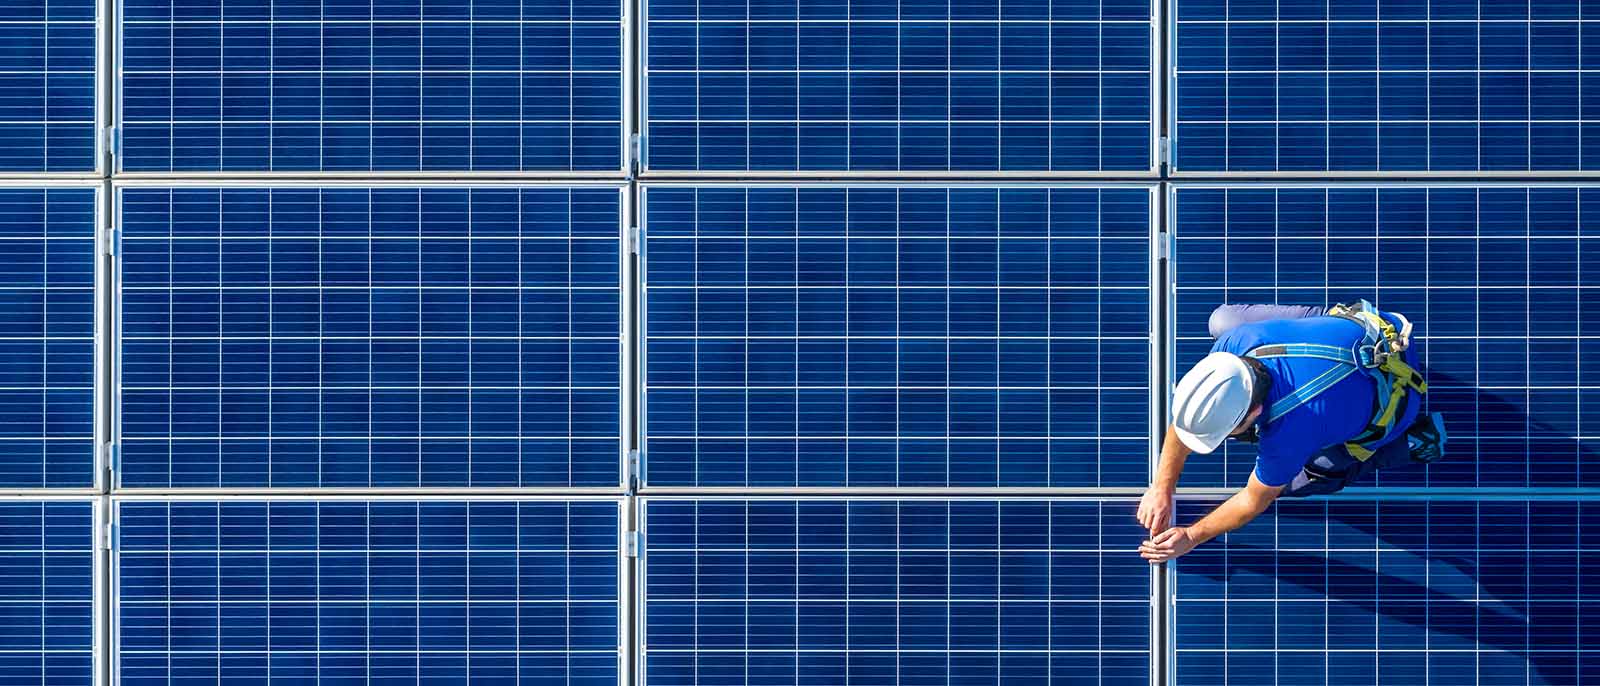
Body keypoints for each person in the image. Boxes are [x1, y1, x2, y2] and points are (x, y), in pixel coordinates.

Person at [1137, 302, 1447, 564]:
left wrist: (1192, 536)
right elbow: (1187, 419)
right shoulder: (1232, 346)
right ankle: (1326, 325)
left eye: (1229, 431)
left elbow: (1252, 501)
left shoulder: (1289, 434)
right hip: (1377, 326)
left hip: (1399, 395)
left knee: (1302, 478)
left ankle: (1413, 443)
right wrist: (1161, 488)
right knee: (1221, 319)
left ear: (1256, 413)